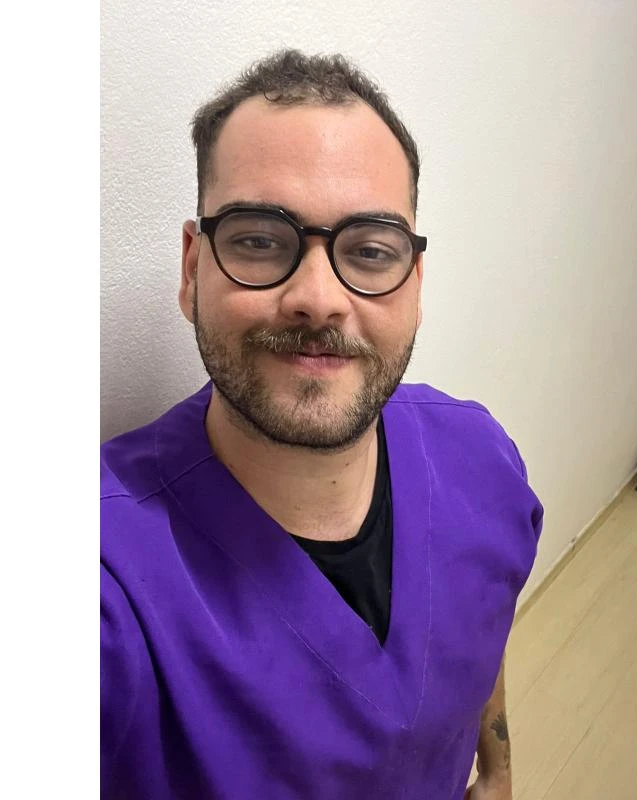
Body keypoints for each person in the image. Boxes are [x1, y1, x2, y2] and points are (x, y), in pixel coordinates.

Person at [101, 49, 544, 800]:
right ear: (192, 269)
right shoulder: (107, 581)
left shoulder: (484, 460)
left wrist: (497, 770)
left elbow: (480, 626)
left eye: (369, 251)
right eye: (258, 239)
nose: (319, 297)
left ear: (414, 284)